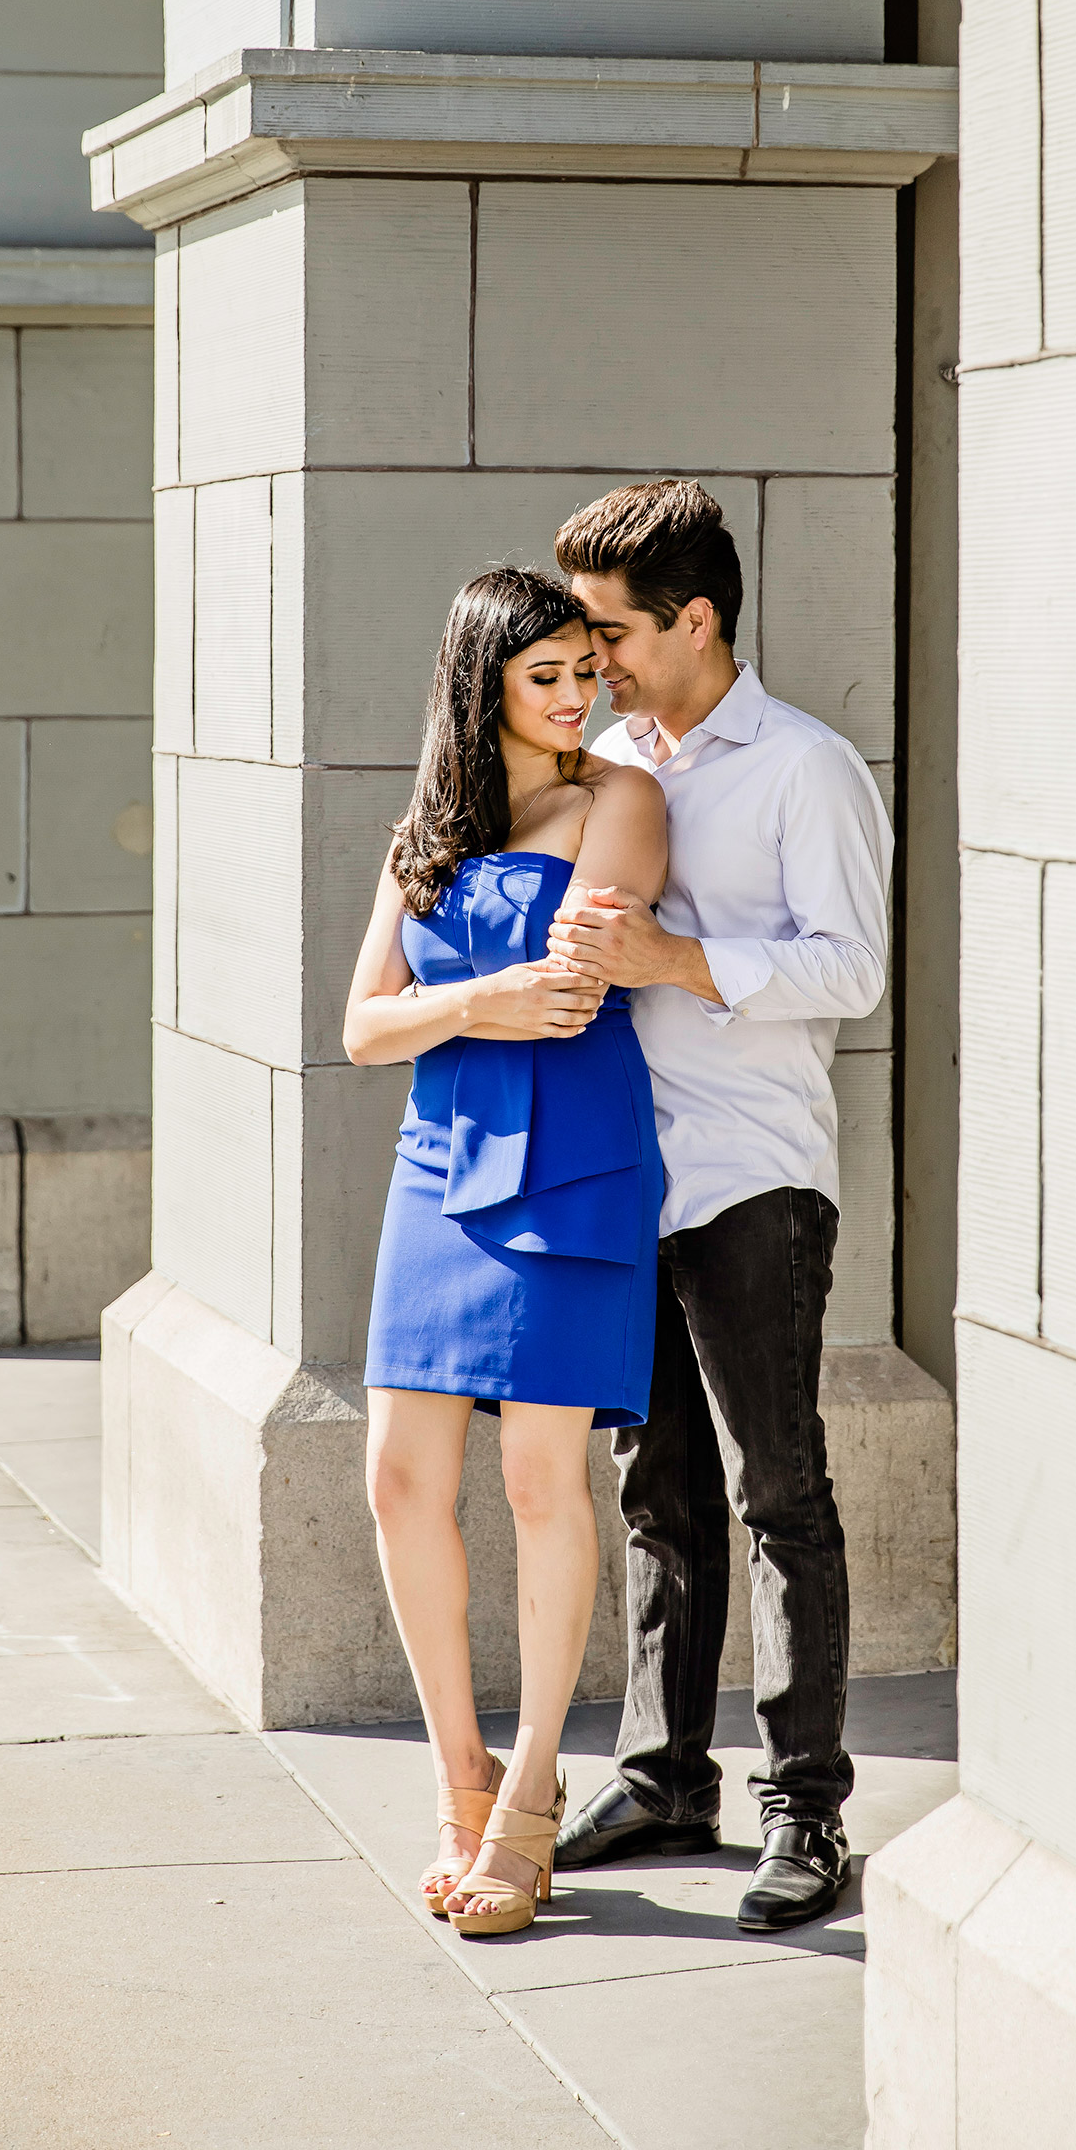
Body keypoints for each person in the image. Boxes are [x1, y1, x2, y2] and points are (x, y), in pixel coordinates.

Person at [543, 479, 892, 1934]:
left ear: (697, 620)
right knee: (654, 1492)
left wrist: (674, 963)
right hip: (635, 1172)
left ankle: (805, 1812)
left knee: (776, 1492)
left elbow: (851, 970)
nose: (597, 657)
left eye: (616, 631)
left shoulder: (804, 766)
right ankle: (665, 1774)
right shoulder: (607, 753)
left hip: (755, 1172)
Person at [347, 565, 668, 1940]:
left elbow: (573, 989)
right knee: (397, 1479)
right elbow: (363, 1026)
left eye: (584, 673)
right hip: (436, 1170)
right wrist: (471, 997)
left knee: (545, 1478)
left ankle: (532, 1796)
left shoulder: (622, 800)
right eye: (543, 677)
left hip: (576, 1167)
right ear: (480, 685)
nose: (573, 697)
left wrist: (442, 1004)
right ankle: (457, 1781)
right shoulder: (422, 829)